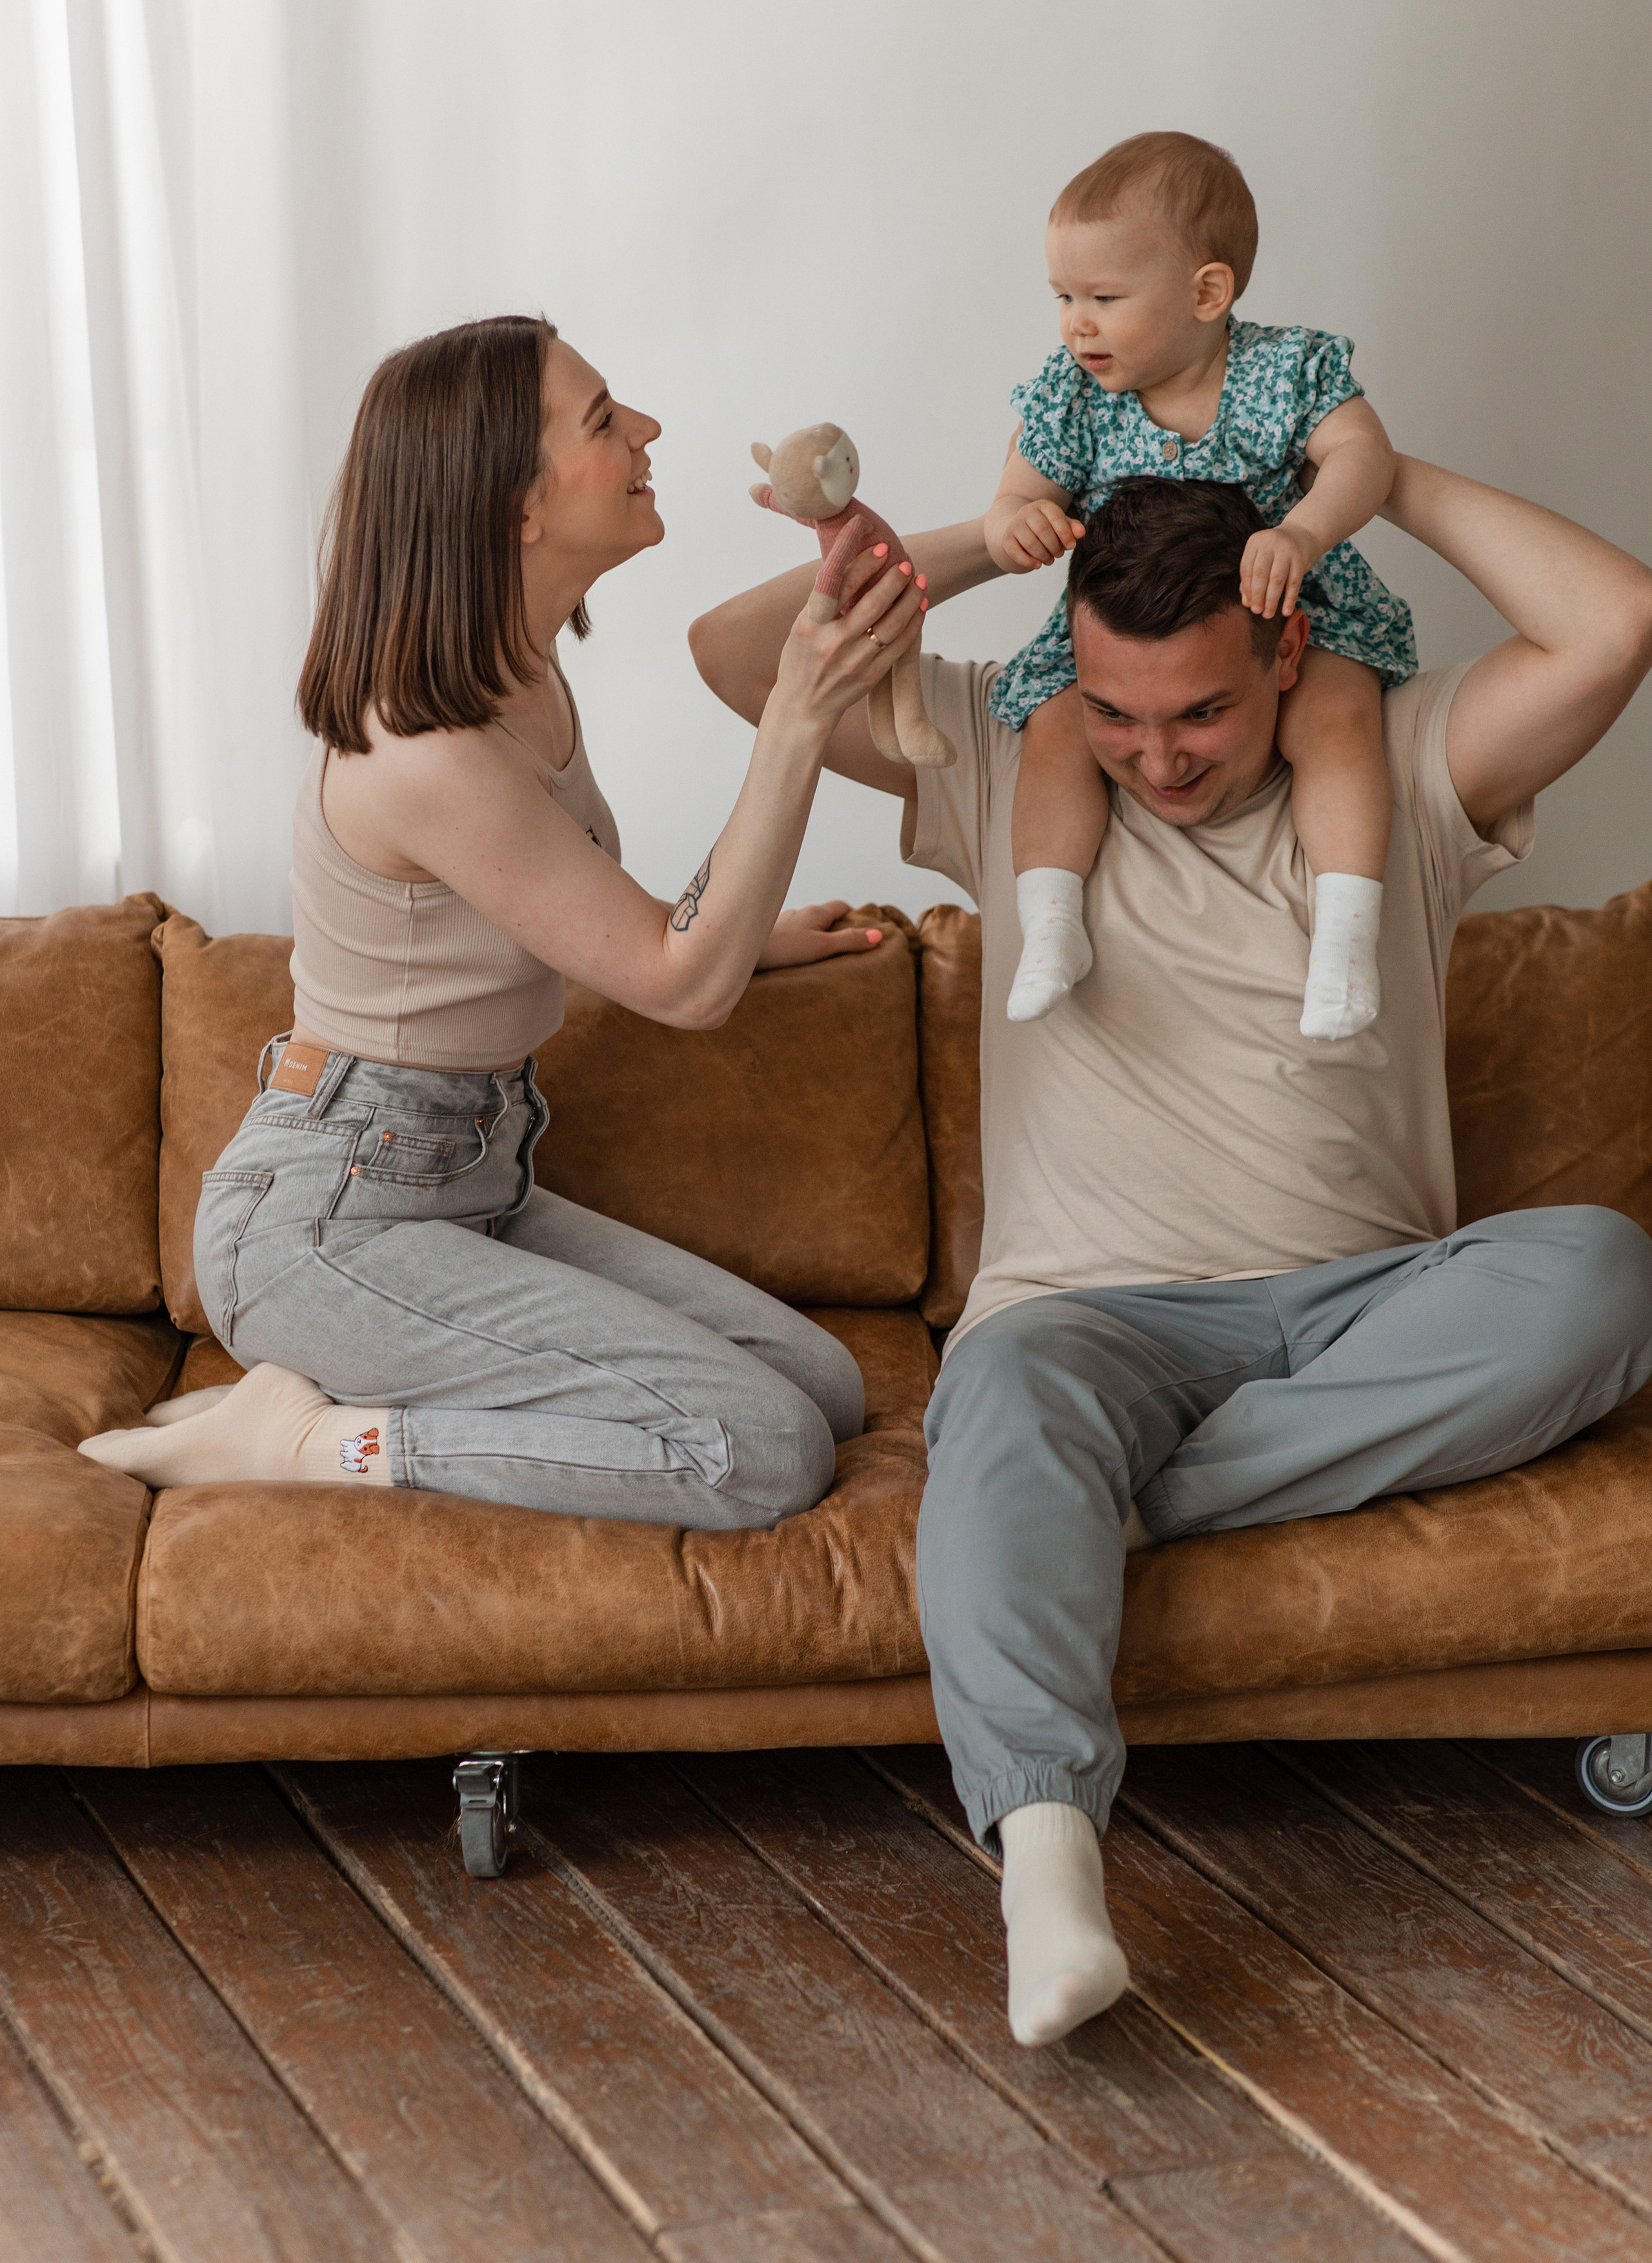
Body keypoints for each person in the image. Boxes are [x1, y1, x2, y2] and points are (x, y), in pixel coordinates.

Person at [689, 452, 1652, 2049]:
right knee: (1006, 1395)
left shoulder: (1401, 768)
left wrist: (1371, 478)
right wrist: (992, 550)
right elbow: (737, 651)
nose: (1153, 758)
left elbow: (1616, 621)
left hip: (1369, 1310)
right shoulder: (1012, 756)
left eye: (1199, 713)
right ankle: (1048, 1878)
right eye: (1120, 714)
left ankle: (1064, 1522)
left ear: (1284, 649)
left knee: (1601, 1273)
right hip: (1087, 1323)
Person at [83, 314, 926, 1525]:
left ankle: (340, 1391)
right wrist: (795, 718)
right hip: (331, 1217)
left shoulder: (517, 673)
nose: (646, 431)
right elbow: (682, 987)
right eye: (603, 420)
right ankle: (314, 1439)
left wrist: (746, 927)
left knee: (825, 1388)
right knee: (762, 1451)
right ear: (514, 505)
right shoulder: (425, 748)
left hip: (473, 1177)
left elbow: (601, 926)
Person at [987, 132, 1411, 1038]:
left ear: (1207, 294)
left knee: (1336, 718)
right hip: (1136, 632)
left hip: (1292, 608)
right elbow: (1020, 490)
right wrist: (1013, 522)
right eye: (1063, 297)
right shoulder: (1071, 396)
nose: (1076, 324)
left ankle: (1343, 938)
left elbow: (1361, 456)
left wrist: (1303, 529)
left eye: (1104, 298)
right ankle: (1053, 922)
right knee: (1059, 728)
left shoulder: (1281, 369)